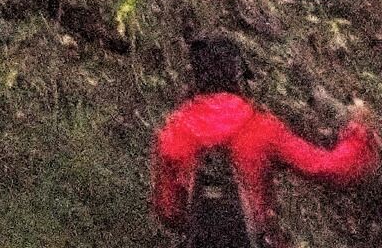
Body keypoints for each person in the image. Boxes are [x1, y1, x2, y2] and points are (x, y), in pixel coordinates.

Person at [153, 31, 376, 242]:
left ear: (195, 76)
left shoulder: (174, 131)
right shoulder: (261, 126)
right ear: (237, 74)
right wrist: (358, 133)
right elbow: (328, 168)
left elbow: (168, 211)